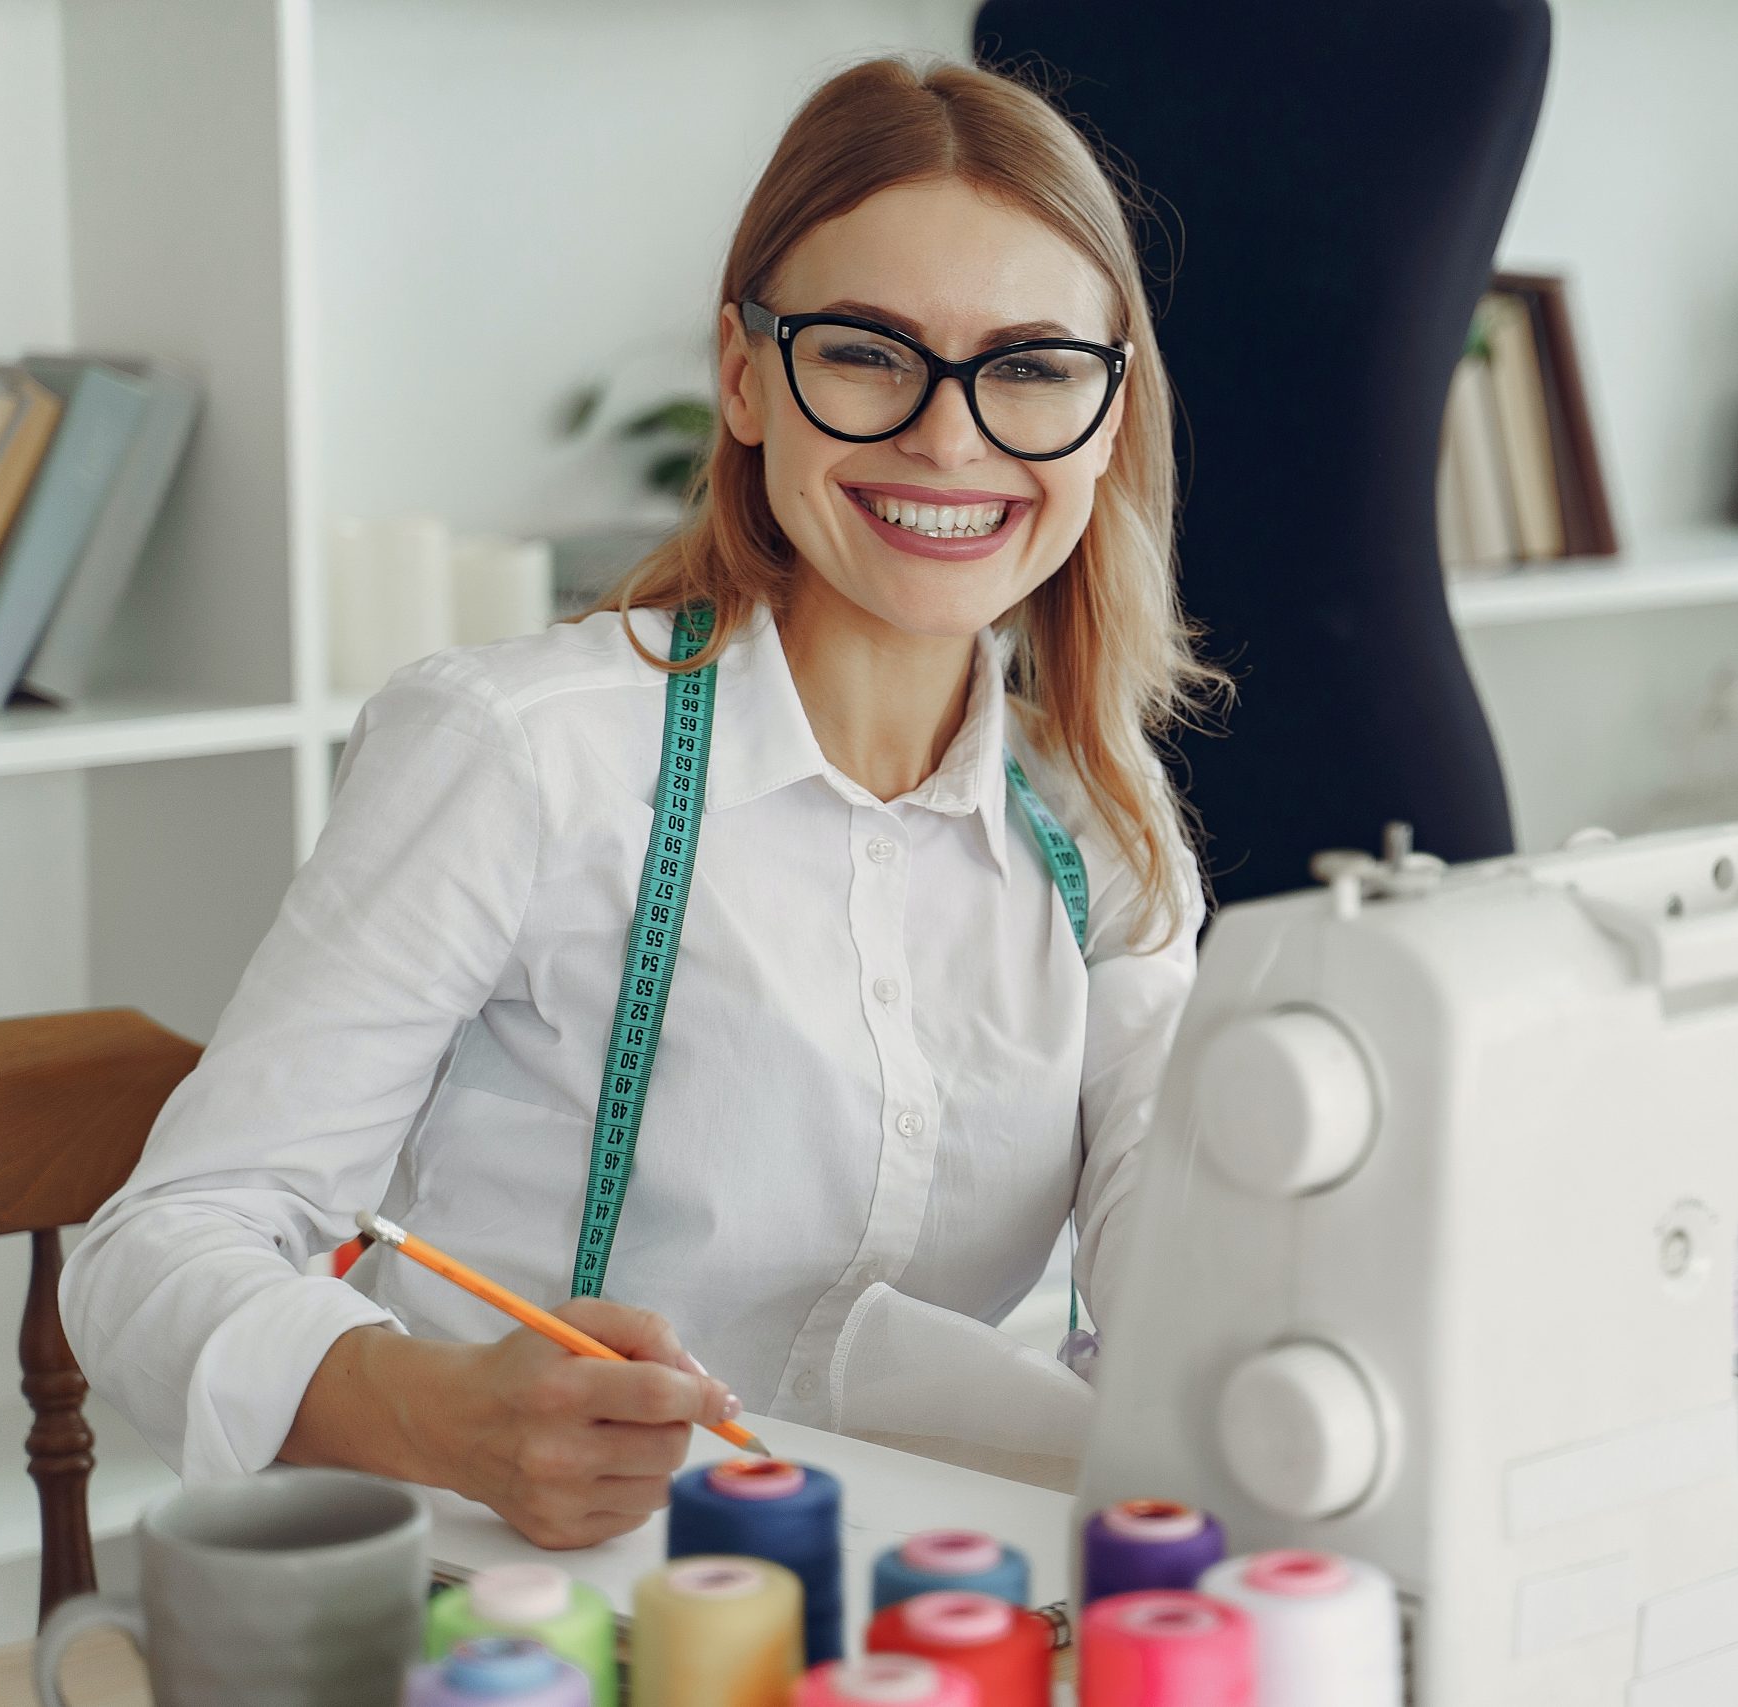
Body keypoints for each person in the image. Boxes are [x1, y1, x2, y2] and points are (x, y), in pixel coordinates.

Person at [63, 55, 1220, 1549]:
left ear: (1111, 414)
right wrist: (450, 1416)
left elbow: (1177, 1273)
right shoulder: (524, 757)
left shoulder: (1102, 832)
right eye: (867, 351)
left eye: (1034, 367)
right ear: (744, 378)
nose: (952, 437)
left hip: (897, 1597)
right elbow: (158, 1253)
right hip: (517, 1599)